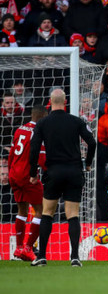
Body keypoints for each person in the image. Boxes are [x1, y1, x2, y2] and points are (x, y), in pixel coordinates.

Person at [28, 89, 97, 267]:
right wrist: (87, 163)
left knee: (47, 213)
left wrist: (33, 173)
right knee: (72, 214)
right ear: (65, 102)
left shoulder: (42, 123)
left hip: (54, 171)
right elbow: (92, 142)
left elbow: (34, 147)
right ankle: (74, 257)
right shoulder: (76, 121)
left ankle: (42, 256)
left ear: (50, 103)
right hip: (74, 172)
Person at [9, 105, 48, 261]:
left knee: (22, 210)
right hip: (27, 175)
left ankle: (18, 249)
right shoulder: (38, 132)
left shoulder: (19, 129)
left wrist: (12, 171)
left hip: (14, 173)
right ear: (42, 117)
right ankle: (28, 248)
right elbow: (42, 158)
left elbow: (12, 153)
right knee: (42, 210)